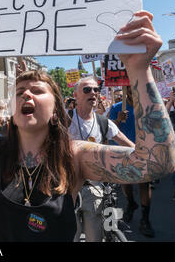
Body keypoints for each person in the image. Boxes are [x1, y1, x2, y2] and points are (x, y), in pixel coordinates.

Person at [0, 11, 175, 241]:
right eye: (19, 92)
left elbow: (156, 163)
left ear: (55, 111)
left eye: (37, 90)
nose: (26, 94)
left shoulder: (76, 156)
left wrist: (139, 70)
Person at [68, 77, 134, 242]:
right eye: (87, 90)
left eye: (96, 90)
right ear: (75, 95)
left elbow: (130, 148)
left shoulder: (104, 123)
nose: (93, 93)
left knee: (95, 238)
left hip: (95, 190)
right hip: (67, 189)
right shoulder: (63, 119)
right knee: (70, 236)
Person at [109, 85, 155, 237]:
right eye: (128, 88)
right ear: (125, 90)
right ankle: (131, 203)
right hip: (122, 152)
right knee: (125, 183)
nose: (131, 91)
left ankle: (145, 219)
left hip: (143, 151)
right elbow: (108, 129)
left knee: (144, 184)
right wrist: (118, 120)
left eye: (134, 88)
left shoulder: (146, 106)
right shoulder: (116, 107)